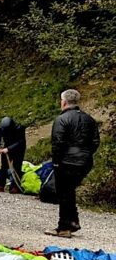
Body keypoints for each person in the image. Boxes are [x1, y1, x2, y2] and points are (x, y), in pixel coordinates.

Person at [48, 89, 100, 237]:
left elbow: (57, 142)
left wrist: (56, 162)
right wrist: (86, 154)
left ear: (64, 102)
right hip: (85, 161)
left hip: (66, 161)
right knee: (69, 191)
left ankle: (64, 227)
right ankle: (72, 221)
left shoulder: (61, 119)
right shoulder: (89, 119)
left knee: (64, 193)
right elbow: (95, 141)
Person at [0, 116, 27, 193]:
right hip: (7, 147)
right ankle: (1, 184)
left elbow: (20, 141)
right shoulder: (0, 128)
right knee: (4, 167)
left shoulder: (19, 128)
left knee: (17, 166)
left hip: (19, 149)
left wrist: (9, 149)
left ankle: (15, 186)